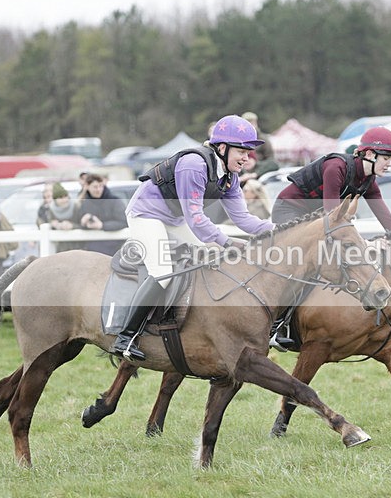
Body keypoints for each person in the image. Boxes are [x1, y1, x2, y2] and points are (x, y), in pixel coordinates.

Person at [113, 114, 275, 359]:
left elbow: (244, 219)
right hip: (146, 214)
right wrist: (228, 243)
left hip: (173, 219)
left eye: (249, 152)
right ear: (222, 147)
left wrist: (278, 229)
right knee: (163, 271)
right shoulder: (194, 165)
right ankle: (126, 337)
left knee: (210, 259)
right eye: (242, 151)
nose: (246, 158)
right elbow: (196, 219)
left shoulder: (229, 177)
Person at [271, 126, 391, 234]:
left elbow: (390, 224)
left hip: (315, 218)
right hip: (289, 210)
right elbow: (333, 219)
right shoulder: (336, 167)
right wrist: (367, 245)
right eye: (386, 158)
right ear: (370, 154)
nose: (389, 165)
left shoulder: (368, 182)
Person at [76, 174, 127, 256]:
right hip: (92, 250)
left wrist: (102, 225)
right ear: (88, 187)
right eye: (95, 187)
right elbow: (77, 224)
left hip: (115, 248)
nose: (98, 189)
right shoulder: (85, 203)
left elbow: (124, 222)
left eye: (100, 186)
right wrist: (83, 223)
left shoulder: (115, 201)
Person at [44, 182, 82, 252]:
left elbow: (83, 225)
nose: (64, 199)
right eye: (60, 197)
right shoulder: (51, 209)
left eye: (65, 196)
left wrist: (72, 226)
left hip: (78, 245)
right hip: (61, 247)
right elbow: (45, 223)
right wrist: (56, 225)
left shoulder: (75, 207)